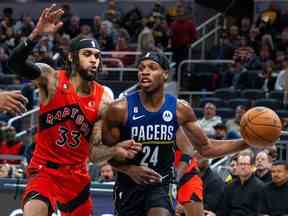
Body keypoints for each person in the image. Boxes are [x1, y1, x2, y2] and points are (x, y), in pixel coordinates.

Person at [7, 4, 141, 216]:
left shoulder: (104, 97)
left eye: (97, 56)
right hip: (45, 171)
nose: (94, 60)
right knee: (34, 211)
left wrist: (114, 150)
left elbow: (94, 154)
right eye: (87, 54)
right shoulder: (51, 79)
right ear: (71, 57)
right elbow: (14, 64)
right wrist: (36, 34)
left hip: (77, 176)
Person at [102, 51, 250, 216]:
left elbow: (206, 148)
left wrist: (247, 142)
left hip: (160, 184)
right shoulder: (119, 109)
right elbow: (103, 153)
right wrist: (130, 169)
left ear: (165, 74)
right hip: (128, 185)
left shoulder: (180, 109)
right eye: (141, 68)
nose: (144, 71)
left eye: (152, 67)